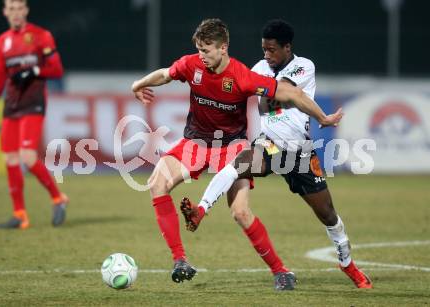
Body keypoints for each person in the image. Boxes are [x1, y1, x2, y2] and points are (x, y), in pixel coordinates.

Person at [132, 18, 342, 290]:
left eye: (206, 50)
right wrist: (138, 84)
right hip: (196, 142)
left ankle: (281, 271)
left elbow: (290, 94)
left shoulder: (242, 76)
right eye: (199, 50)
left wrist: (322, 117)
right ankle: (180, 260)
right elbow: (165, 74)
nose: (201, 56)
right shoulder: (191, 65)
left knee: (240, 212)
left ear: (223, 48)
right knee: (156, 184)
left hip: (232, 146)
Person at [180, 19, 372, 289]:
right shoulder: (259, 68)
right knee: (236, 166)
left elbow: (281, 95)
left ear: (287, 47)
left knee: (327, 213)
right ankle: (201, 210)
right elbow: (260, 99)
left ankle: (348, 265)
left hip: (300, 152)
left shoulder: (304, 66)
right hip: (269, 145)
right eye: (263, 50)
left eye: (272, 50)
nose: (267, 56)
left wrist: (314, 114)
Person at [0, 0, 67, 229]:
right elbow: (1, 78)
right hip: (11, 105)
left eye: (19, 8)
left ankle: (58, 198)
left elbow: (56, 69)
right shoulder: (3, 41)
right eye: (10, 8)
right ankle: (20, 214)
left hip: (33, 104)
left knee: (27, 156)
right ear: (5, 12)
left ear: (26, 10)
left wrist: (34, 70)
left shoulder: (41, 36)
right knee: (11, 159)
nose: (15, 13)